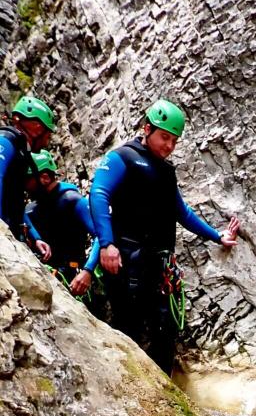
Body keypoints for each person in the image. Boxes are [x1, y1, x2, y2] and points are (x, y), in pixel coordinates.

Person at [89, 99, 240, 374]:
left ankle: (164, 393)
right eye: (164, 137)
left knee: (165, 329)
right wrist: (107, 244)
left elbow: (181, 212)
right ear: (147, 129)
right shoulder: (122, 157)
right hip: (126, 260)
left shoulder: (166, 170)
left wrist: (217, 236)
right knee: (128, 324)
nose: (169, 146)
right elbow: (99, 194)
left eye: (174, 141)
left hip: (155, 264)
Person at [24, 150, 103, 305]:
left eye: (27, 180)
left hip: (73, 279)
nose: (24, 186)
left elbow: (101, 235)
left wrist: (88, 271)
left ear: (45, 178)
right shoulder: (29, 210)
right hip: (43, 277)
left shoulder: (72, 200)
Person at [0, 95, 55, 242]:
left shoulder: (21, 151)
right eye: (48, 134)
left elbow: (14, 202)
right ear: (37, 128)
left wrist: (35, 238)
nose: (47, 141)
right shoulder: (7, 139)